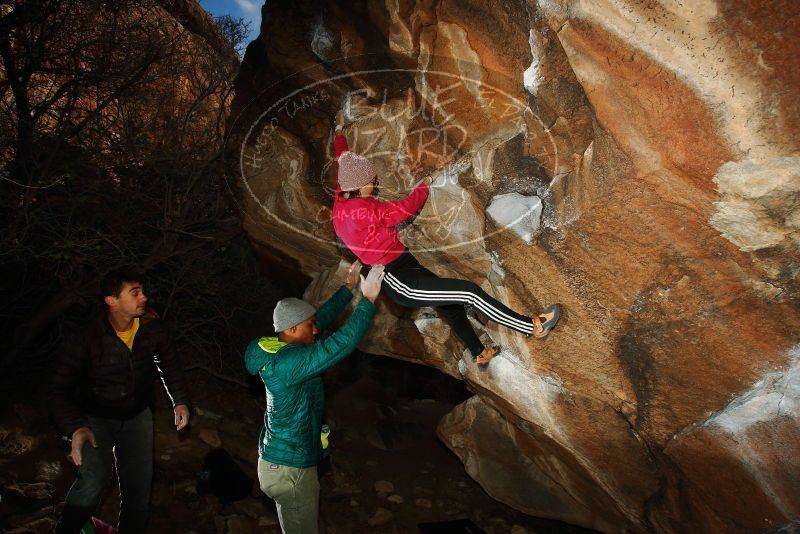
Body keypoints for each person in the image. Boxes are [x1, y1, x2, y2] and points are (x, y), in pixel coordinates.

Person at [330, 111, 560, 368]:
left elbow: (343, 157)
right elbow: (403, 210)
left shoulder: (344, 191)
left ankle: (479, 352)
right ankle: (531, 326)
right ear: (360, 187)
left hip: (403, 262)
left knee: (450, 301)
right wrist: (425, 184)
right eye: (372, 182)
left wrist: (339, 131)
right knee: (469, 293)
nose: (376, 182)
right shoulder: (361, 211)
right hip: (396, 279)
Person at [244, 262, 384, 534]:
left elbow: (319, 319)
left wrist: (347, 289)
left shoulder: (281, 344)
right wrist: (367, 301)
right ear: (294, 329)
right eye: (310, 327)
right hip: (290, 469)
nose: (316, 330)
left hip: (282, 459)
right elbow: (337, 346)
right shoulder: (289, 364)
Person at [48, 267, 190, 534]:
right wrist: (75, 427)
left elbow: (169, 364)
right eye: (135, 293)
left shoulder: (153, 328)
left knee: (138, 487)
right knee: (92, 481)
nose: (144, 298)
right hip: (96, 418)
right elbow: (58, 389)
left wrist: (179, 400)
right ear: (112, 301)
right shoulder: (87, 337)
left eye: (143, 291)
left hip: (137, 416)